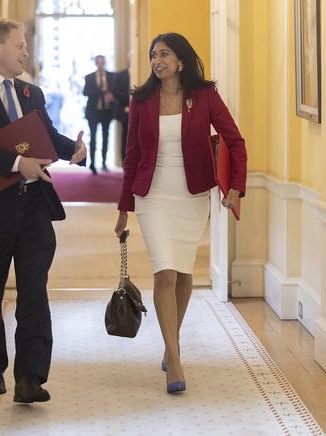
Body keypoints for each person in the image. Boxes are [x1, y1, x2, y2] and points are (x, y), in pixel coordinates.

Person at [0, 19, 87, 404]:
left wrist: (73, 150)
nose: (25, 51)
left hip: (32, 208)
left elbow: (45, 135)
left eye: (25, 45)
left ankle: (30, 377)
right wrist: (16, 163)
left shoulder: (31, 92)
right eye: (19, 45)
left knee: (34, 292)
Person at [114, 32, 247, 394]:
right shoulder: (141, 100)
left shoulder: (203, 96)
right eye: (153, 55)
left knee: (184, 272)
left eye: (164, 54)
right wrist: (124, 207)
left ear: (181, 61)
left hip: (191, 196)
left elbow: (235, 140)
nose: (157, 61)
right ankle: (175, 359)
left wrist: (235, 186)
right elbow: (131, 156)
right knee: (165, 273)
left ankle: (170, 341)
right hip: (152, 194)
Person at [83, 55, 117, 174]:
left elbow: (116, 91)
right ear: (96, 63)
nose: (101, 65)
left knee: (105, 137)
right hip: (93, 111)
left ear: (105, 63)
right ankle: (92, 163)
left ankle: (104, 162)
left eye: (103, 62)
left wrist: (111, 95)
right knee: (93, 137)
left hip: (107, 111)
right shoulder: (89, 77)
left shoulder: (112, 76)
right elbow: (85, 92)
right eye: (99, 63)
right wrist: (101, 90)